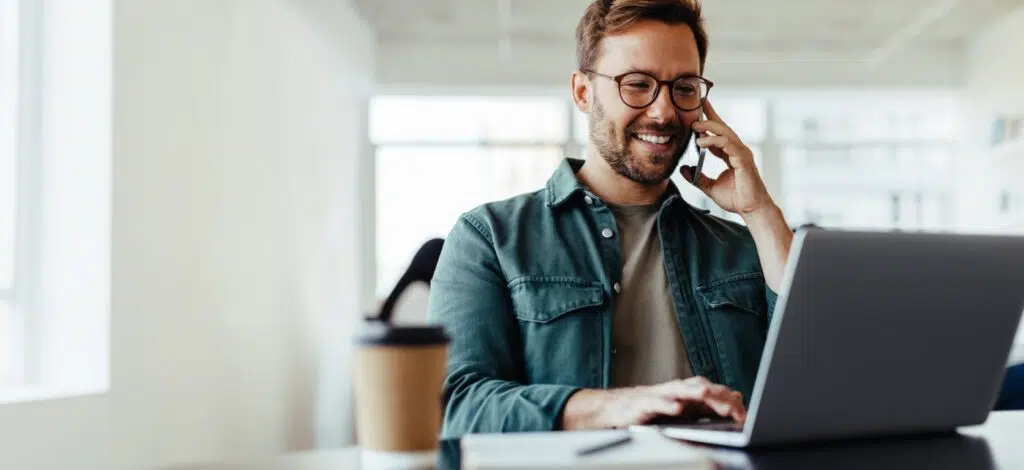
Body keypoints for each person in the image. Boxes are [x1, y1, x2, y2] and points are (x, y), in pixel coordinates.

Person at [427, 0, 794, 438]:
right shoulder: (490, 238)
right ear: (583, 92)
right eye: (637, 84)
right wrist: (619, 405)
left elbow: (820, 372)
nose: (663, 111)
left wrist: (759, 211)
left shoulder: (743, 248)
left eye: (684, 87)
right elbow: (455, 407)